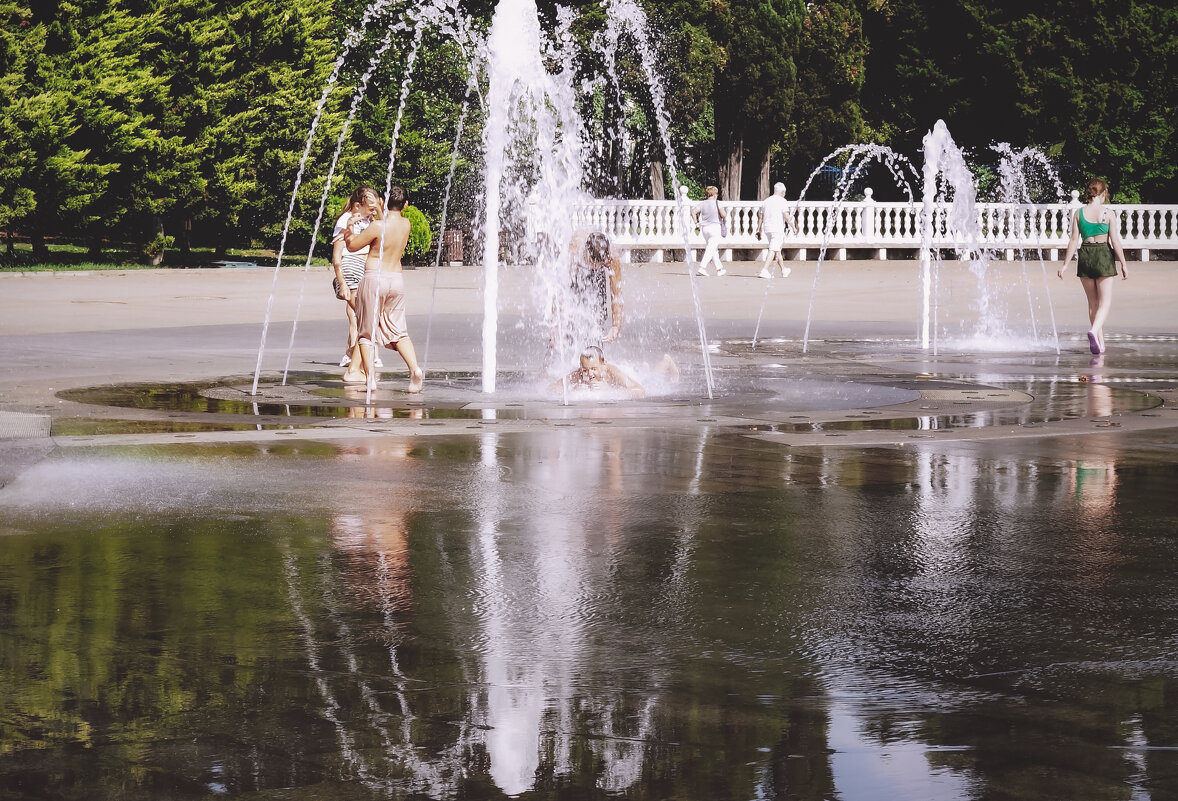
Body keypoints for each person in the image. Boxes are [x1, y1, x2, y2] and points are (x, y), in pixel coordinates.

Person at [339, 185, 424, 393]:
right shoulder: (406, 224)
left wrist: (349, 229)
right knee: (399, 331)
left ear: (385, 202)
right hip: (396, 280)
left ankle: (370, 380)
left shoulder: (377, 227)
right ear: (405, 205)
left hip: (374, 278)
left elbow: (351, 246)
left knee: (366, 332)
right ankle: (414, 369)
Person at [1058, 178, 1128, 355]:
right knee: (1105, 303)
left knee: (1092, 303)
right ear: (1103, 193)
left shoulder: (1079, 213)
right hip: (1103, 254)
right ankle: (1093, 332)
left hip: (1086, 255)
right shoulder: (1108, 213)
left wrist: (1065, 265)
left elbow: (1073, 240)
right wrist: (1124, 264)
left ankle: (1100, 344)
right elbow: (1115, 241)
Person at [549, 231, 623, 366]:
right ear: (586, 253)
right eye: (592, 263)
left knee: (596, 322)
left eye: (599, 264)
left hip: (597, 278)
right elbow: (560, 291)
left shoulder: (611, 258)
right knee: (567, 323)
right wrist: (555, 326)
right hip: (576, 273)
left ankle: (594, 365)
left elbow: (616, 293)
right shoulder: (574, 252)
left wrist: (615, 325)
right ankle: (554, 366)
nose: (594, 267)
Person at [331, 186, 383, 369]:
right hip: (352, 267)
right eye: (370, 208)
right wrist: (342, 282)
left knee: (362, 314)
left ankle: (354, 354)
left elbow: (385, 234)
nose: (373, 211)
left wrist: (378, 212)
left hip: (365, 268)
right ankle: (360, 357)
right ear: (357, 205)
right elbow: (337, 255)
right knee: (364, 315)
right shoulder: (345, 220)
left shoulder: (370, 220)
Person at [549, 345, 645, 397]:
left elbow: (640, 390)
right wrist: (573, 391)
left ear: (603, 365)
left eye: (594, 369)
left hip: (638, 374)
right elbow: (551, 388)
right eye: (585, 370)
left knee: (643, 370)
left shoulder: (611, 372)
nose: (590, 374)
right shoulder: (579, 373)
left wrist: (610, 391)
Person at [756, 181, 795, 279]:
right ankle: (764, 270)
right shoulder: (783, 201)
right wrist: (793, 227)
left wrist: (759, 229)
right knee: (773, 249)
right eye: (784, 192)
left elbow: (760, 217)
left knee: (776, 249)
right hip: (777, 228)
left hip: (767, 228)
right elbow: (786, 216)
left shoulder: (766, 201)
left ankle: (783, 269)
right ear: (783, 192)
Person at [692, 185, 727, 277]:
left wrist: (696, 223)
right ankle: (702, 268)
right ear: (714, 194)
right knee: (711, 248)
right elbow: (723, 215)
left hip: (705, 229)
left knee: (713, 249)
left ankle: (719, 269)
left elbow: (693, 212)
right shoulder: (718, 203)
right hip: (715, 227)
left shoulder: (702, 204)